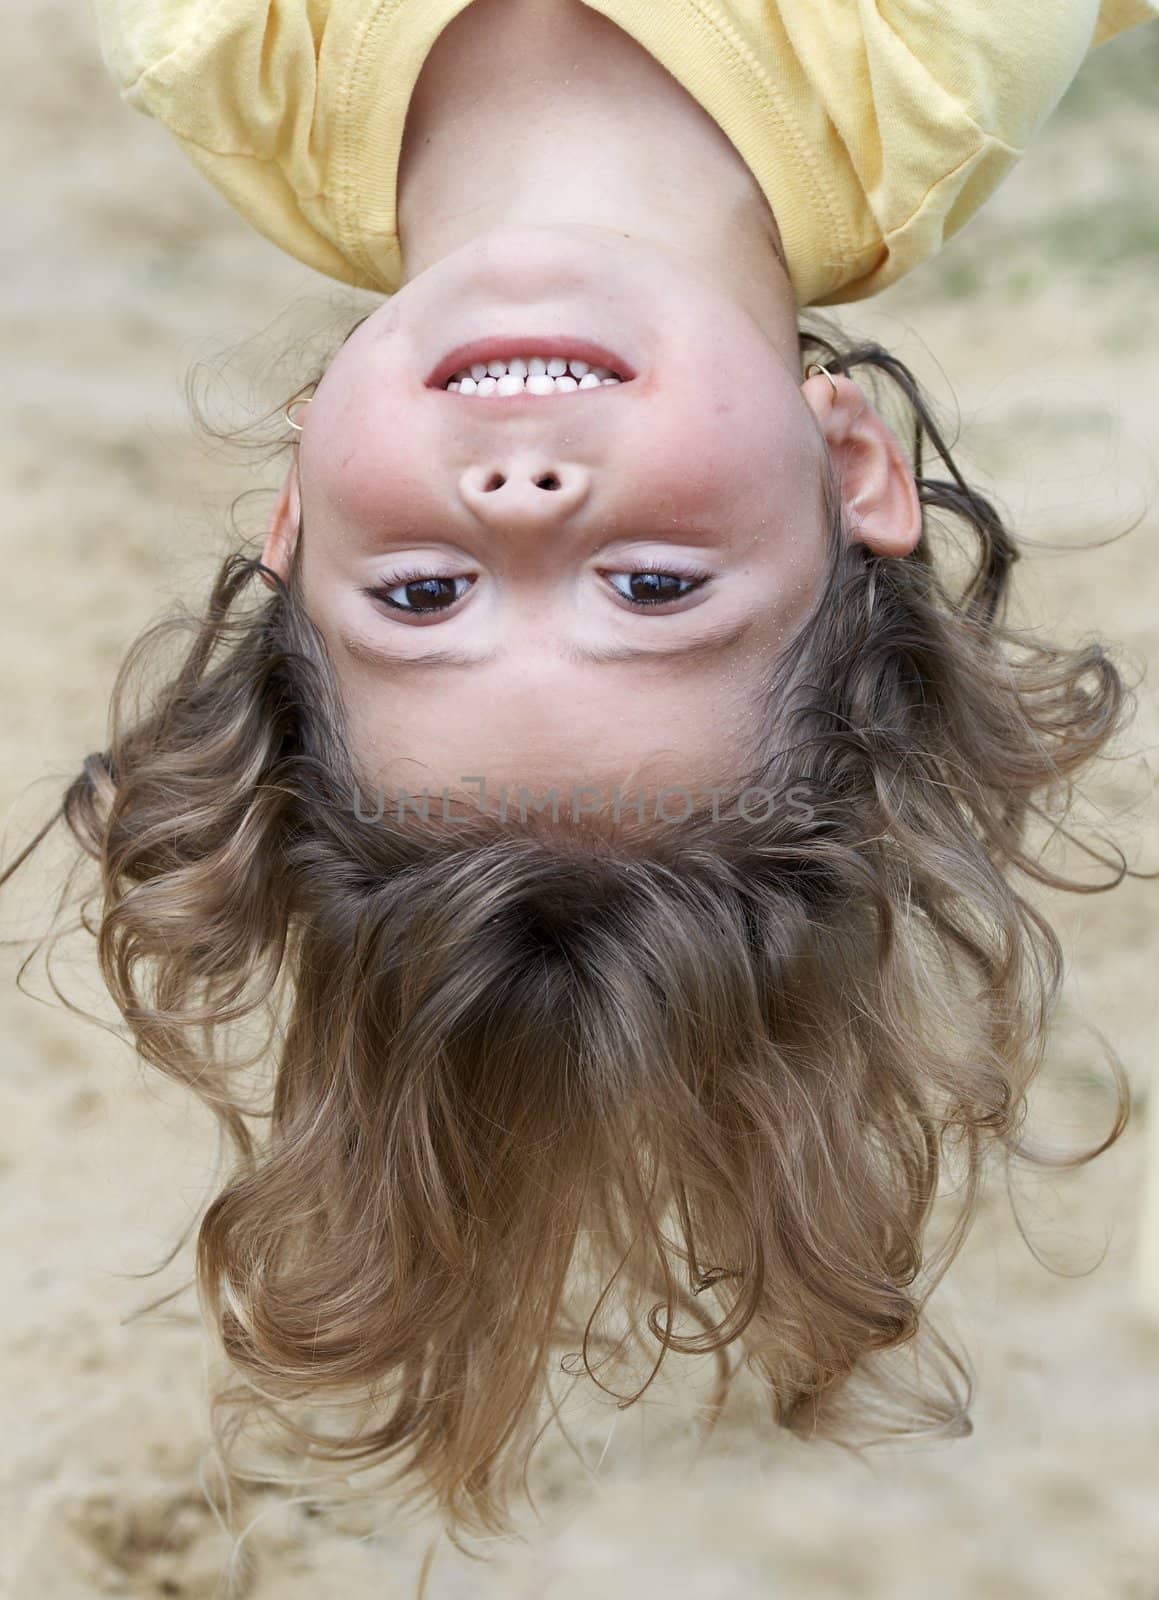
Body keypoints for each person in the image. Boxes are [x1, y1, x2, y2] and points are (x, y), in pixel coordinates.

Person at [6, 0, 1153, 1557]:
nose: (527, 503)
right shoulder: (940, 55)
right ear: (855, 470)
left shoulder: (221, 52)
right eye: (656, 590)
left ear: (294, 507)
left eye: (422, 599)